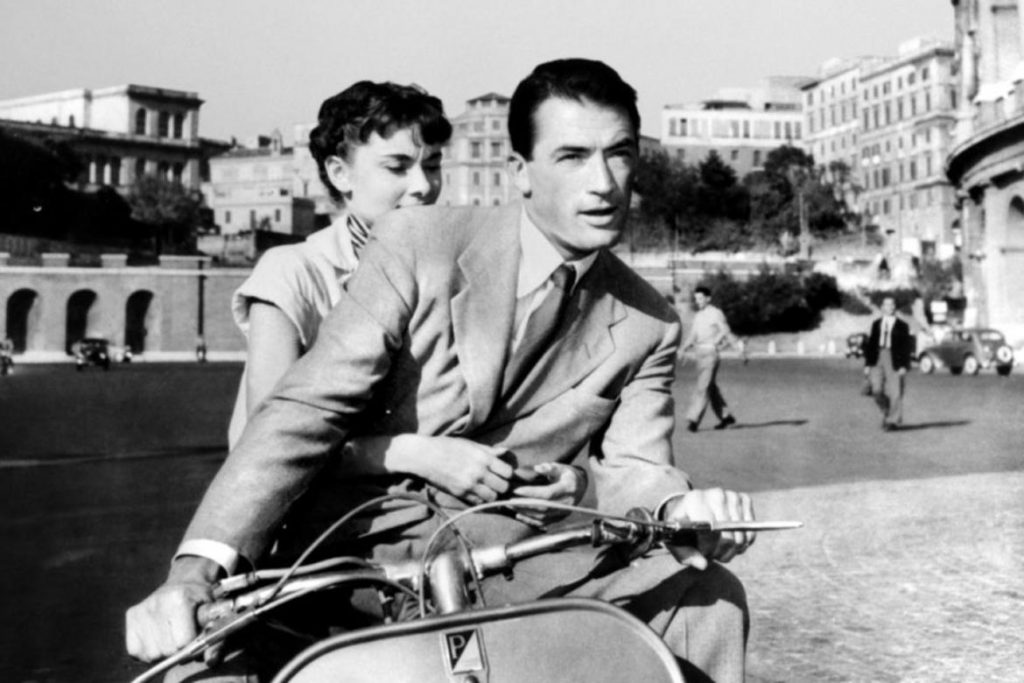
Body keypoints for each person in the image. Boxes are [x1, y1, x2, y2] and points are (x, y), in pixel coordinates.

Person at [126, 58, 757, 683]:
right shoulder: (419, 241)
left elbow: (638, 467)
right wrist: (195, 571)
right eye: (572, 157)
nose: (604, 183)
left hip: (514, 567)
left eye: (619, 155)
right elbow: (305, 411)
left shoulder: (650, 321)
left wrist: (682, 505)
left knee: (708, 601)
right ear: (520, 172)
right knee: (196, 669)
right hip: (350, 556)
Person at [225, 80, 586, 522]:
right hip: (312, 537)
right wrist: (414, 454)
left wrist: (557, 476)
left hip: (433, 531)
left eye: (432, 165)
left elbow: (494, 418)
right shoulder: (292, 272)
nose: (423, 186)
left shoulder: (460, 269)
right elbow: (266, 448)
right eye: (397, 167)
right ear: (340, 174)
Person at [681, 286, 739, 432]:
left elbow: (726, 330)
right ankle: (726, 417)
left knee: (703, 387)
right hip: (699, 354)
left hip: (710, 354)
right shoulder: (698, 316)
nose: (698, 301)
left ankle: (693, 420)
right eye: (696, 299)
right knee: (710, 387)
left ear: (708, 298)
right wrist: (683, 348)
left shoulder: (716, 313)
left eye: (700, 298)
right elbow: (693, 335)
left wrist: (736, 348)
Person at [863, 295, 912, 430]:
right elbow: (871, 345)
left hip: (894, 358)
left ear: (895, 307)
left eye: (892, 304)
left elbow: (907, 347)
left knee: (896, 391)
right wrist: (867, 364)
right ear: (882, 307)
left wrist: (904, 365)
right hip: (877, 358)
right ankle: (887, 409)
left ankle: (892, 421)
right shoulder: (876, 324)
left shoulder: (902, 326)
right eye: (886, 304)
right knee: (876, 390)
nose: (889, 307)